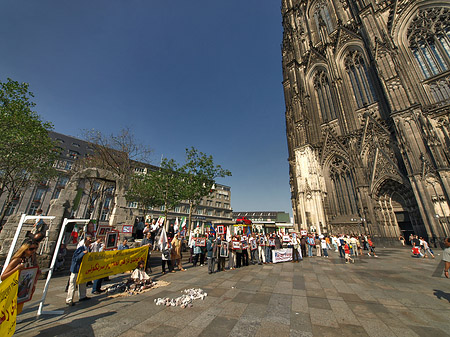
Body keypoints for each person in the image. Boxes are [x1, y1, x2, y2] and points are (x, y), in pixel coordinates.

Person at [1, 239, 40, 314]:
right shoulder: (17, 260)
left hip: (23, 288)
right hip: (13, 288)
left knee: (18, 309)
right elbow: (3, 277)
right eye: (31, 249)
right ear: (25, 249)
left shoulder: (31, 259)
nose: (34, 251)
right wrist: (16, 269)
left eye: (35, 248)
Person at [66, 235, 93, 306]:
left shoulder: (89, 249)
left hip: (83, 269)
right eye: (89, 240)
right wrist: (82, 253)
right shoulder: (80, 248)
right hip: (76, 269)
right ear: (85, 241)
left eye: (91, 240)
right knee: (72, 284)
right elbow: (75, 258)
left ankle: (82, 296)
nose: (90, 241)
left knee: (83, 283)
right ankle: (69, 300)